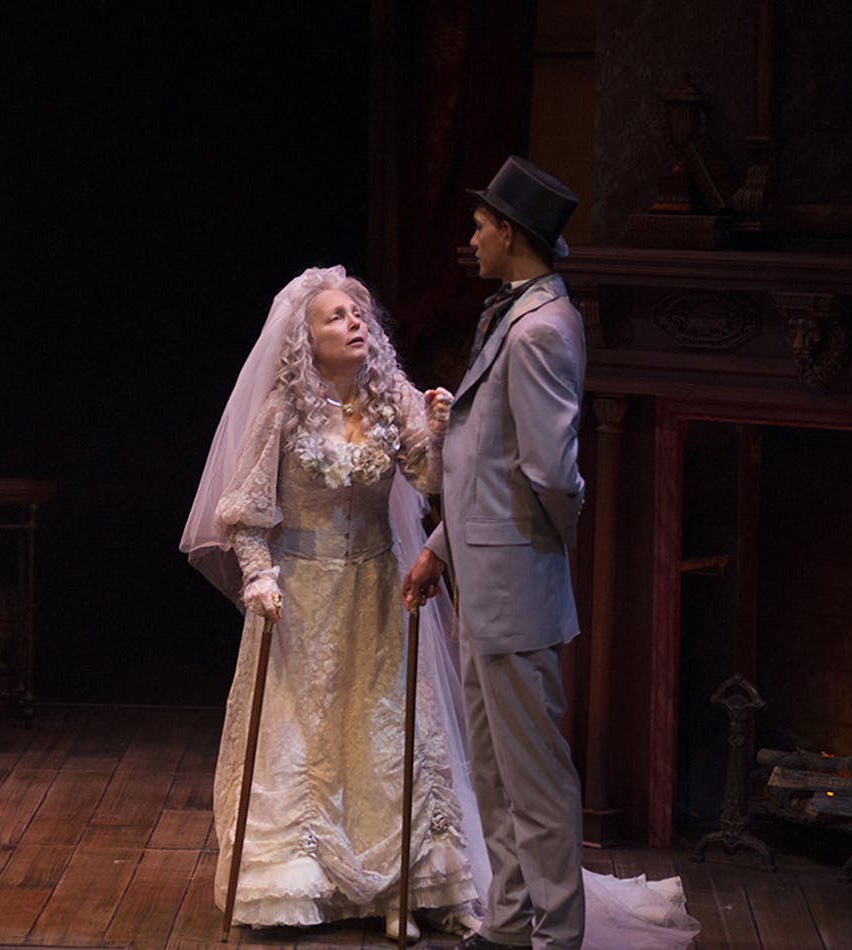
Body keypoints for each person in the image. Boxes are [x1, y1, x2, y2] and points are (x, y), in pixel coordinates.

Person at [181, 266, 485, 940]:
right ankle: (303, 880)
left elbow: (429, 482)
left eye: (358, 313)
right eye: (336, 317)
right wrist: (258, 576)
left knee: (385, 730)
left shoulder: (394, 400)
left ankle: (406, 883)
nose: (354, 323)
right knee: (306, 736)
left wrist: (438, 431)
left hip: (378, 587)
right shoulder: (282, 412)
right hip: (302, 597)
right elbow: (248, 514)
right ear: (305, 341)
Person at [402, 155, 589, 948]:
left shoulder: (543, 329)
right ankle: (511, 924)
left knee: (536, 779)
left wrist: (537, 549)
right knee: (494, 770)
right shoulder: (510, 313)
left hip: (513, 582)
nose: (471, 237)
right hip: (481, 577)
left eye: (480, 225)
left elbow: (550, 473)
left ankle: (556, 936)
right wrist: (443, 548)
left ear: (510, 232)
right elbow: (491, 462)